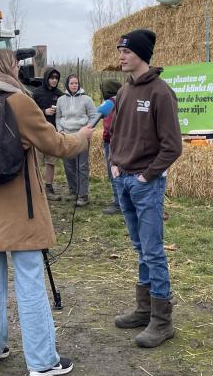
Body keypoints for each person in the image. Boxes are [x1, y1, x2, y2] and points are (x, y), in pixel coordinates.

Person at [0, 48, 93, 376]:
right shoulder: (20, 102)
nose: (20, 69)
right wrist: (83, 138)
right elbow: (56, 145)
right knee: (29, 281)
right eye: (16, 65)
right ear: (6, 69)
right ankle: (43, 362)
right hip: (22, 213)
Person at [108, 29, 182, 348]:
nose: (121, 57)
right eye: (119, 51)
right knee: (140, 249)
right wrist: (114, 163)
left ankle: (162, 322)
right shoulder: (125, 92)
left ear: (141, 54)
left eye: (126, 52)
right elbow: (115, 133)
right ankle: (144, 309)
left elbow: (172, 147)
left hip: (145, 184)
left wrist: (146, 176)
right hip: (123, 178)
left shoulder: (160, 93)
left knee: (153, 251)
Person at [55, 74, 96, 207]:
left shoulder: (87, 99)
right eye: (72, 83)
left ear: (79, 84)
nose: (74, 85)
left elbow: (94, 116)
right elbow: (58, 117)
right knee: (69, 166)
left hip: (82, 136)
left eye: (76, 83)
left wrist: (87, 129)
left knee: (82, 166)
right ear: (67, 84)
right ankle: (73, 191)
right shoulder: (61, 100)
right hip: (66, 136)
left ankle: (83, 195)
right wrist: (60, 130)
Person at [32, 67, 63, 201]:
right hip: (38, 132)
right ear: (46, 78)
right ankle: (35, 187)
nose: (54, 80)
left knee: (51, 161)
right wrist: (44, 111)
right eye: (51, 78)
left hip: (53, 132)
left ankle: (49, 187)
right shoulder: (36, 93)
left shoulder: (60, 95)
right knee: (36, 162)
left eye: (56, 78)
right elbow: (30, 111)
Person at [100, 79, 122, 215]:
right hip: (123, 141)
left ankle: (118, 204)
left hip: (112, 142)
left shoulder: (110, 103)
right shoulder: (124, 99)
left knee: (113, 172)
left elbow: (107, 125)